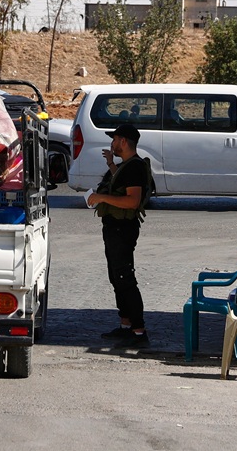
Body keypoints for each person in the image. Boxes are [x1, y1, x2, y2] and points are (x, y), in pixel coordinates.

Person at [86, 123, 154, 348]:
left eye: (114, 140)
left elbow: (132, 201)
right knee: (116, 277)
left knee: (125, 278)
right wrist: (110, 165)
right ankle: (126, 325)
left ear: (124, 141)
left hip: (122, 229)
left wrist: (101, 198)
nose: (112, 144)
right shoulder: (127, 166)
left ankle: (138, 330)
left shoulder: (134, 166)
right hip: (115, 227)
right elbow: (121, 183)